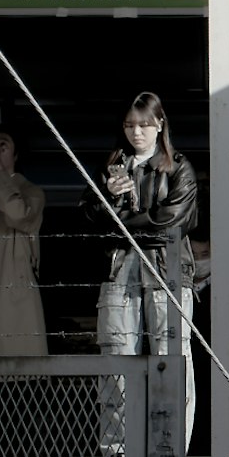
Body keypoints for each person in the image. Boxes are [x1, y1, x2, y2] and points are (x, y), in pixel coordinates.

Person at [93, 92, 195, 366]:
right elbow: (87, 217)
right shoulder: (109, 168)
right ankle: (121, 413)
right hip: (119, 269)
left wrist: (115, 217)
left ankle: (176, 413)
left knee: (171, 354)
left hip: (166, 270)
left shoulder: (179, 167)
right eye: (129, 125)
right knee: (116, 354)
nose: (136, 132)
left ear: (160, 124)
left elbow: (171, 221)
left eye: (144, 124)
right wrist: (109, 195)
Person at [0, 129, 49, 358]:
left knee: (17, 359)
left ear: (16, 156)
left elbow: (18, 215)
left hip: (13, 282)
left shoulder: (31, 191)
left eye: (4, 144)